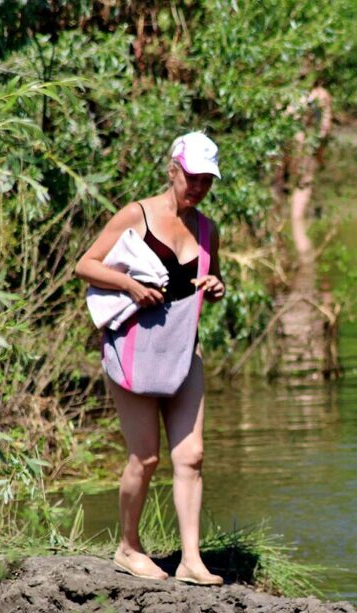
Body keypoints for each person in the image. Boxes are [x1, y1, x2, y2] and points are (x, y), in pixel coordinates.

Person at [75, 131, 227, 585]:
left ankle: (191, 560)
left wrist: (217, 286)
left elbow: (210, 276)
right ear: (173, 169)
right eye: (192, 177)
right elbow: (86, 265)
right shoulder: (136, 215)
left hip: (184, 348)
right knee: (145, 457)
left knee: (193, 455)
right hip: (134, 348)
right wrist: (129, 286)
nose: (198, 187)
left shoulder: (206, 229)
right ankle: (128, 546)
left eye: (207, 180)